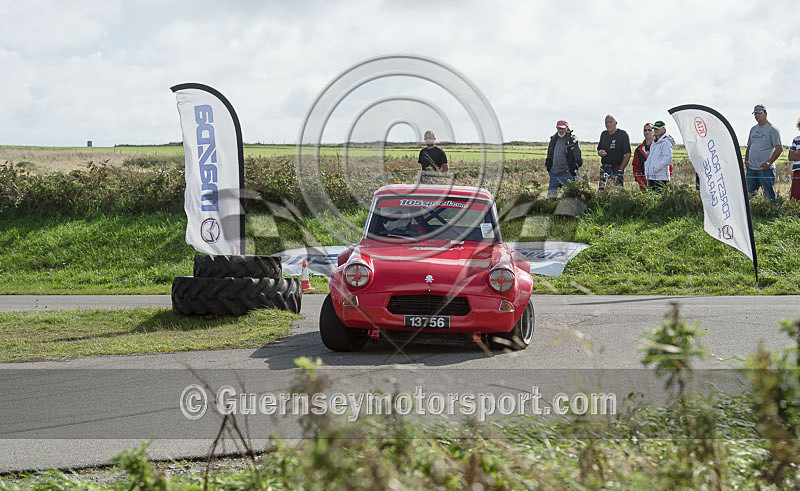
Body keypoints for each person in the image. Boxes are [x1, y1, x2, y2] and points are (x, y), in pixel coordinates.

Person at [745, 104, 782, 202]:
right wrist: (746, 161)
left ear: (765, 113)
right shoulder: (753, 129)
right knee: (749, 195)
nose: (757, 115)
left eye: (759, 113)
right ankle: (752, 214)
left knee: (769, 195)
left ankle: (772, 213)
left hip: (765, 170)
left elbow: (779, 149)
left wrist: (768, 163)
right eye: (755, 113)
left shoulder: (772, 129)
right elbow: (749, 146)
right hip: (751, 169)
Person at [544, 120, 583, 198]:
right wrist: (548, 167)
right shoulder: (553, 139)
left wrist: (574, 168)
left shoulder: (572, 140)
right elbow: (549, 153)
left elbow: (578, 157)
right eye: (559, 128)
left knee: (569, 197)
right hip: (554, 173)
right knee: (551, 197)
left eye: (562, 128)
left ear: (566, 128)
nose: (560, 130)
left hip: (567, 173)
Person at [596, 114, 631, 189]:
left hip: (616, 168)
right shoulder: (604, 134)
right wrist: (600, 152)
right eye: (606, 123)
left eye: (610, 122)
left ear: (616, 123)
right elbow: (599, 149)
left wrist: (620, 169)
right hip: (605, 168)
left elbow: (628, 154)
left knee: (616, 192)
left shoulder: (622, 134)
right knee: (602, 191)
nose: (608, 124)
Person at [645, 120, 674, 190]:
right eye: (654, 128)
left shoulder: (666, 142)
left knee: (659, 198)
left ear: (664, 129)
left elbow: (667, 159)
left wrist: (655, 169)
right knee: (653, 199)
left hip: (661, 178)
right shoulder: (654, 143)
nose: (656, 130)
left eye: (658, 128)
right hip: (652, 177)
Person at [631, 123, 654, 191]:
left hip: (659, 181)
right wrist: (641, 181)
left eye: (649, 130)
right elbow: (636, 167)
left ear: (654, 131)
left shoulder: (660, 147)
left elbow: (668, 164)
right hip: (644, 183)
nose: (647, 132)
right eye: (645, 130)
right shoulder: (638, 150)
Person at [789, 118, 800, 201]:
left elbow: (794, 155)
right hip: (797, 171)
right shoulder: (796, 139)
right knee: (795, 197)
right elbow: (790, 157)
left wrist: (797, 153)